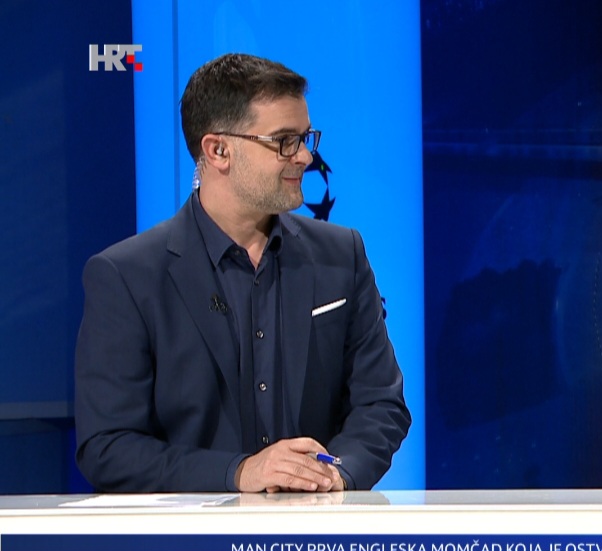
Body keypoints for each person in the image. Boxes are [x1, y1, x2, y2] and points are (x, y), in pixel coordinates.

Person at [75, 53, 411, 493]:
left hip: (317, 523)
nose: (305, 156)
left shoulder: (341, 255)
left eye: (305, 137)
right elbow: (108, 447)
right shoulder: (127, 276)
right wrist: (239, 473)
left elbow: (381, 405)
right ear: (218, 151)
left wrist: (333, 475)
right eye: (284, 141)